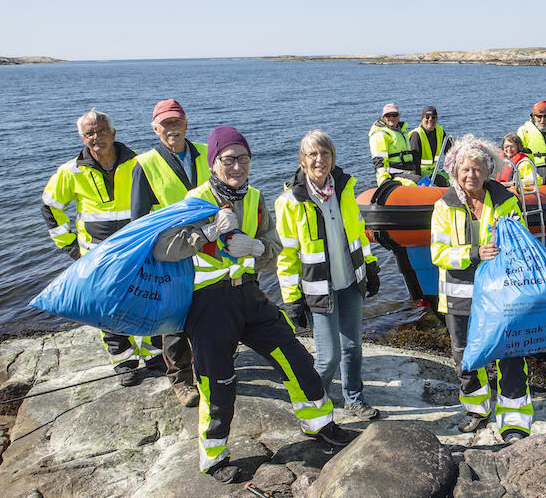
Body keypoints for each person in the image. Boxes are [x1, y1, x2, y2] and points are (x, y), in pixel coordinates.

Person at [152, 126, 351, 483]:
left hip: (249, 294)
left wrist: (258, 249)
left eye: (243, 158)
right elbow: (164, 248)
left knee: (295, 357)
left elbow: (273, 248)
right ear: (214, 162)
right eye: (228, 159)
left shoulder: (256, 198)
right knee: (218, 383)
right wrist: (207, 233)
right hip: (208, 303)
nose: (237, 166)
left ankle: (319, 424)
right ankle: (213, 458)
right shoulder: (194, 198)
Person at [41, 109, 162, 387]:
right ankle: (124, 361)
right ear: (83, 138)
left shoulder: (139, 163)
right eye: (90, 133)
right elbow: (50, 206)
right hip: (97, 254)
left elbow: (159, 200)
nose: (96, 137)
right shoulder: (71, 171)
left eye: (101, 131)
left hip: (137, 248)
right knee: (108, 306)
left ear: (113, 133)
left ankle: (155, 353)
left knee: (146, 297)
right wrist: (71, 247)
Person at [430, 134, 533, 443]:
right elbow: (438, 253)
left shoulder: (506, 202)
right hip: (459, 296)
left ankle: (514, 421)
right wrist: (474, 254)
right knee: (465, 357)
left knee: (511, 353)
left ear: (488, 171)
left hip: (500, 294)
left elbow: (521, 241)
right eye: (464, 169)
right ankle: (477, 410)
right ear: (455, 172)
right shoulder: (443, 206)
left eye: (477, 169)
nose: (470, 175)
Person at [275, 129, 382, 421]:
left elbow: (358, 234)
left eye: (325, 153)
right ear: (302, 160)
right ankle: (312, 405)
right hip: (318, 289)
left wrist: (370, 266)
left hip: (350, 282)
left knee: (353, 347)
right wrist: (291, 298)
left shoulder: (345, 191)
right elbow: (286, 256)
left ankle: (354, 399)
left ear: (333, 158)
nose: (319, 159)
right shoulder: (290, 201)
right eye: (312, 154)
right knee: (328, 356)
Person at [129, 99, 204, 407]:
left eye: (177, 122)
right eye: (166, 123)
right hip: (169, 250)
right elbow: (139, 217)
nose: (172, 128)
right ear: (155, 127)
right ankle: (181, 381)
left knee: (206, 309)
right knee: (173, 318)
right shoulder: (144, 164)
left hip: (207, 244)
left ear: (185, 122)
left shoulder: (205, 150)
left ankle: (207, 368)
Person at [369, 103, 419, 186]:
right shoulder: (381, 134)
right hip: (393, 175)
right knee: (419, 182)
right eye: (388, 115)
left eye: (394, 115)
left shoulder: (402, 131)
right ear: (383, 117)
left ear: (399, 116)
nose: (391, 118)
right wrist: (384, 181)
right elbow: (379, 161)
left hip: (407, 172)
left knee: (434, 179)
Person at [407, 106, 451, 186]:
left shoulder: (440, 131)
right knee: (440, 180)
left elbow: (450, 152)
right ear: (422, 119)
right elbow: (414, 164)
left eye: (433, 117)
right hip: (421, 173)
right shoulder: (416, 135)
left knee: (455, 178)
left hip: (434, 170)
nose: (430, 119)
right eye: (427, 117)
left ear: (436, 119)